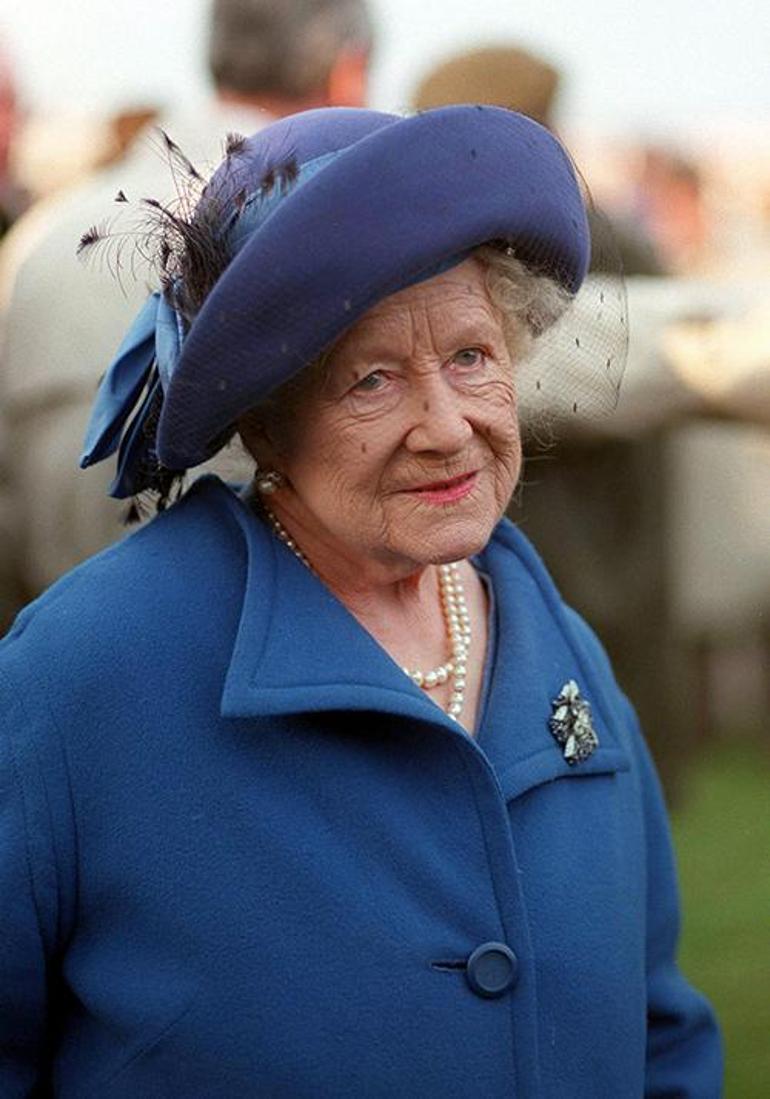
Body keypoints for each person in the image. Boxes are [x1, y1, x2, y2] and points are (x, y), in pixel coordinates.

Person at [0, 106, 720, 1096]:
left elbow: (661, 1035)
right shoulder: (82, 674)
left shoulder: (561, 652)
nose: (446, 426)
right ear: (265, 420)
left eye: (470, 356)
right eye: (372, 378)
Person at [0, 0, 373, 629]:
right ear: (348, 72)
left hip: (52, 646)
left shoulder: (45, 239)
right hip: (272, 649)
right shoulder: (343, 234)